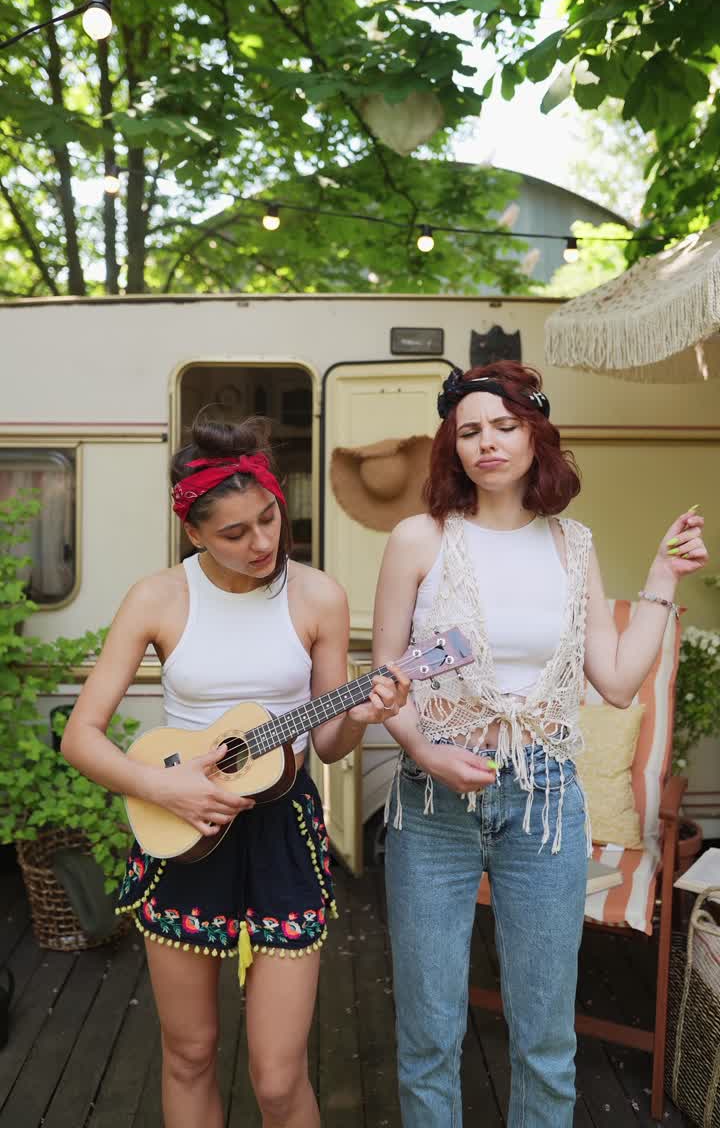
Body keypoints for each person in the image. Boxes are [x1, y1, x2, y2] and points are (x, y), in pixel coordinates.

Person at [372, 360, 708, 1128]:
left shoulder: (573, 545)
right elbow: (384, 684)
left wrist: (661, 577)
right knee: (429, 1031)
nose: (486, 442)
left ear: (536, 435)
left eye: (504, 425)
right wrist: (423, 752)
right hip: (432, 807)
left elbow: (619, 682)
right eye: (469, 431)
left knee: (546, 1036)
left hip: (547, 804)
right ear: (450, 448)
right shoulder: (418, 539)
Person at [61, 409, 409, 1128]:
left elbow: (331, 744)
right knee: (189, 1053)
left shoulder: (319, 597)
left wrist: (363, 715)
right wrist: (163, 785)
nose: (261, 542)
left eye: (269, 518)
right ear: (192, 532)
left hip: (283, 834)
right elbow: (81, 737)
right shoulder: (159, 597)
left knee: (278, 1079)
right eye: (234, 532)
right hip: (179, 828)